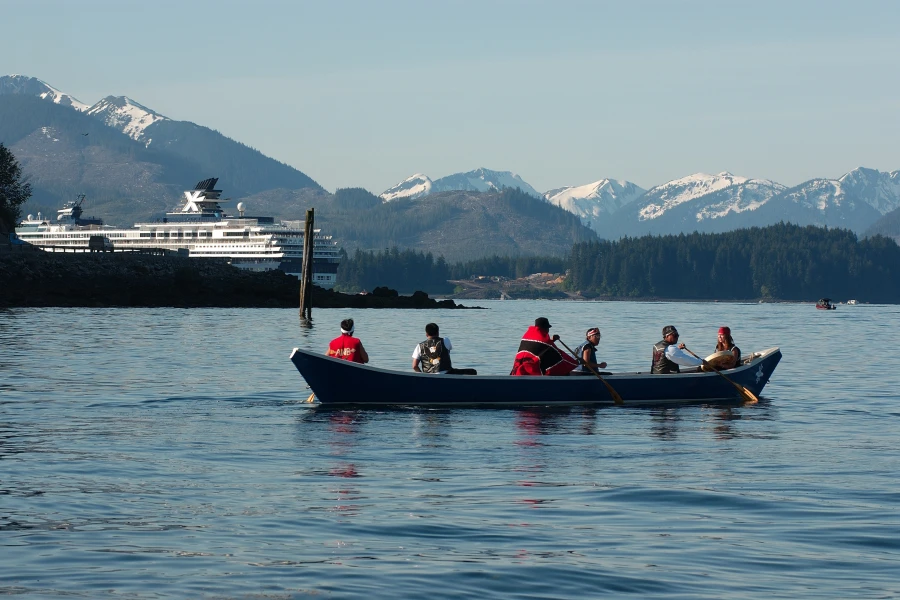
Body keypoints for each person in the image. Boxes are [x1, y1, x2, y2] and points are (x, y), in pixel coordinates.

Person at [511, 317, 578, 376]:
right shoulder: (544, 340)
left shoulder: (529, 335)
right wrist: (574, 362)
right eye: (547, 328)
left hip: (518, 369)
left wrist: (552, 339)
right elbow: (557, 354)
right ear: (545, 328)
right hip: (530, 370)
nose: (548, 331)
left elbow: (540, 346)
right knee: (561, 370)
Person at [412, 322, 477, 375]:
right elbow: (448, 351)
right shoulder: (445, 340)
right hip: (447, 373)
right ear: (438, 332)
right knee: (472, 372)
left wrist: (422, 375)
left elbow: (414, 366)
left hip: (428, 375)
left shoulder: (419, 346)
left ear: (426, 334)